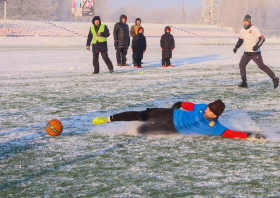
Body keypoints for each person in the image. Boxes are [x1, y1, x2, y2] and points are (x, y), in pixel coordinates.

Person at [92, 99, 266, 140]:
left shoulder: (214, 126)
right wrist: (177, 104)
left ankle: (130, 129)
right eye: (207, 106)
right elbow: (187, 104)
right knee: (141, 115)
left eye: (209, 109)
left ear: (214, 115)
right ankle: (108, 118)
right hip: (170, 114)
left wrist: (250, 135)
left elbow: (230, 133)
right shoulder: (202, 106)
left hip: (172, 129)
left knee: (141, 130)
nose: (206, 108)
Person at [233, 15, 279, 88]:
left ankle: (275, 78)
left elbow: (262, 38)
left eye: (246, 21)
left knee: (261, 66)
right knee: (241, 65)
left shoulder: (254, 29)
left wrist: (257, 46)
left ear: (249, 21)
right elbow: (240, 40)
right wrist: (236, 47)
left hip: (255, 53)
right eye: (244, 21)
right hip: (247, 52)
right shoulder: (242, 30)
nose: (245, 23)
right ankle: (244, 83)